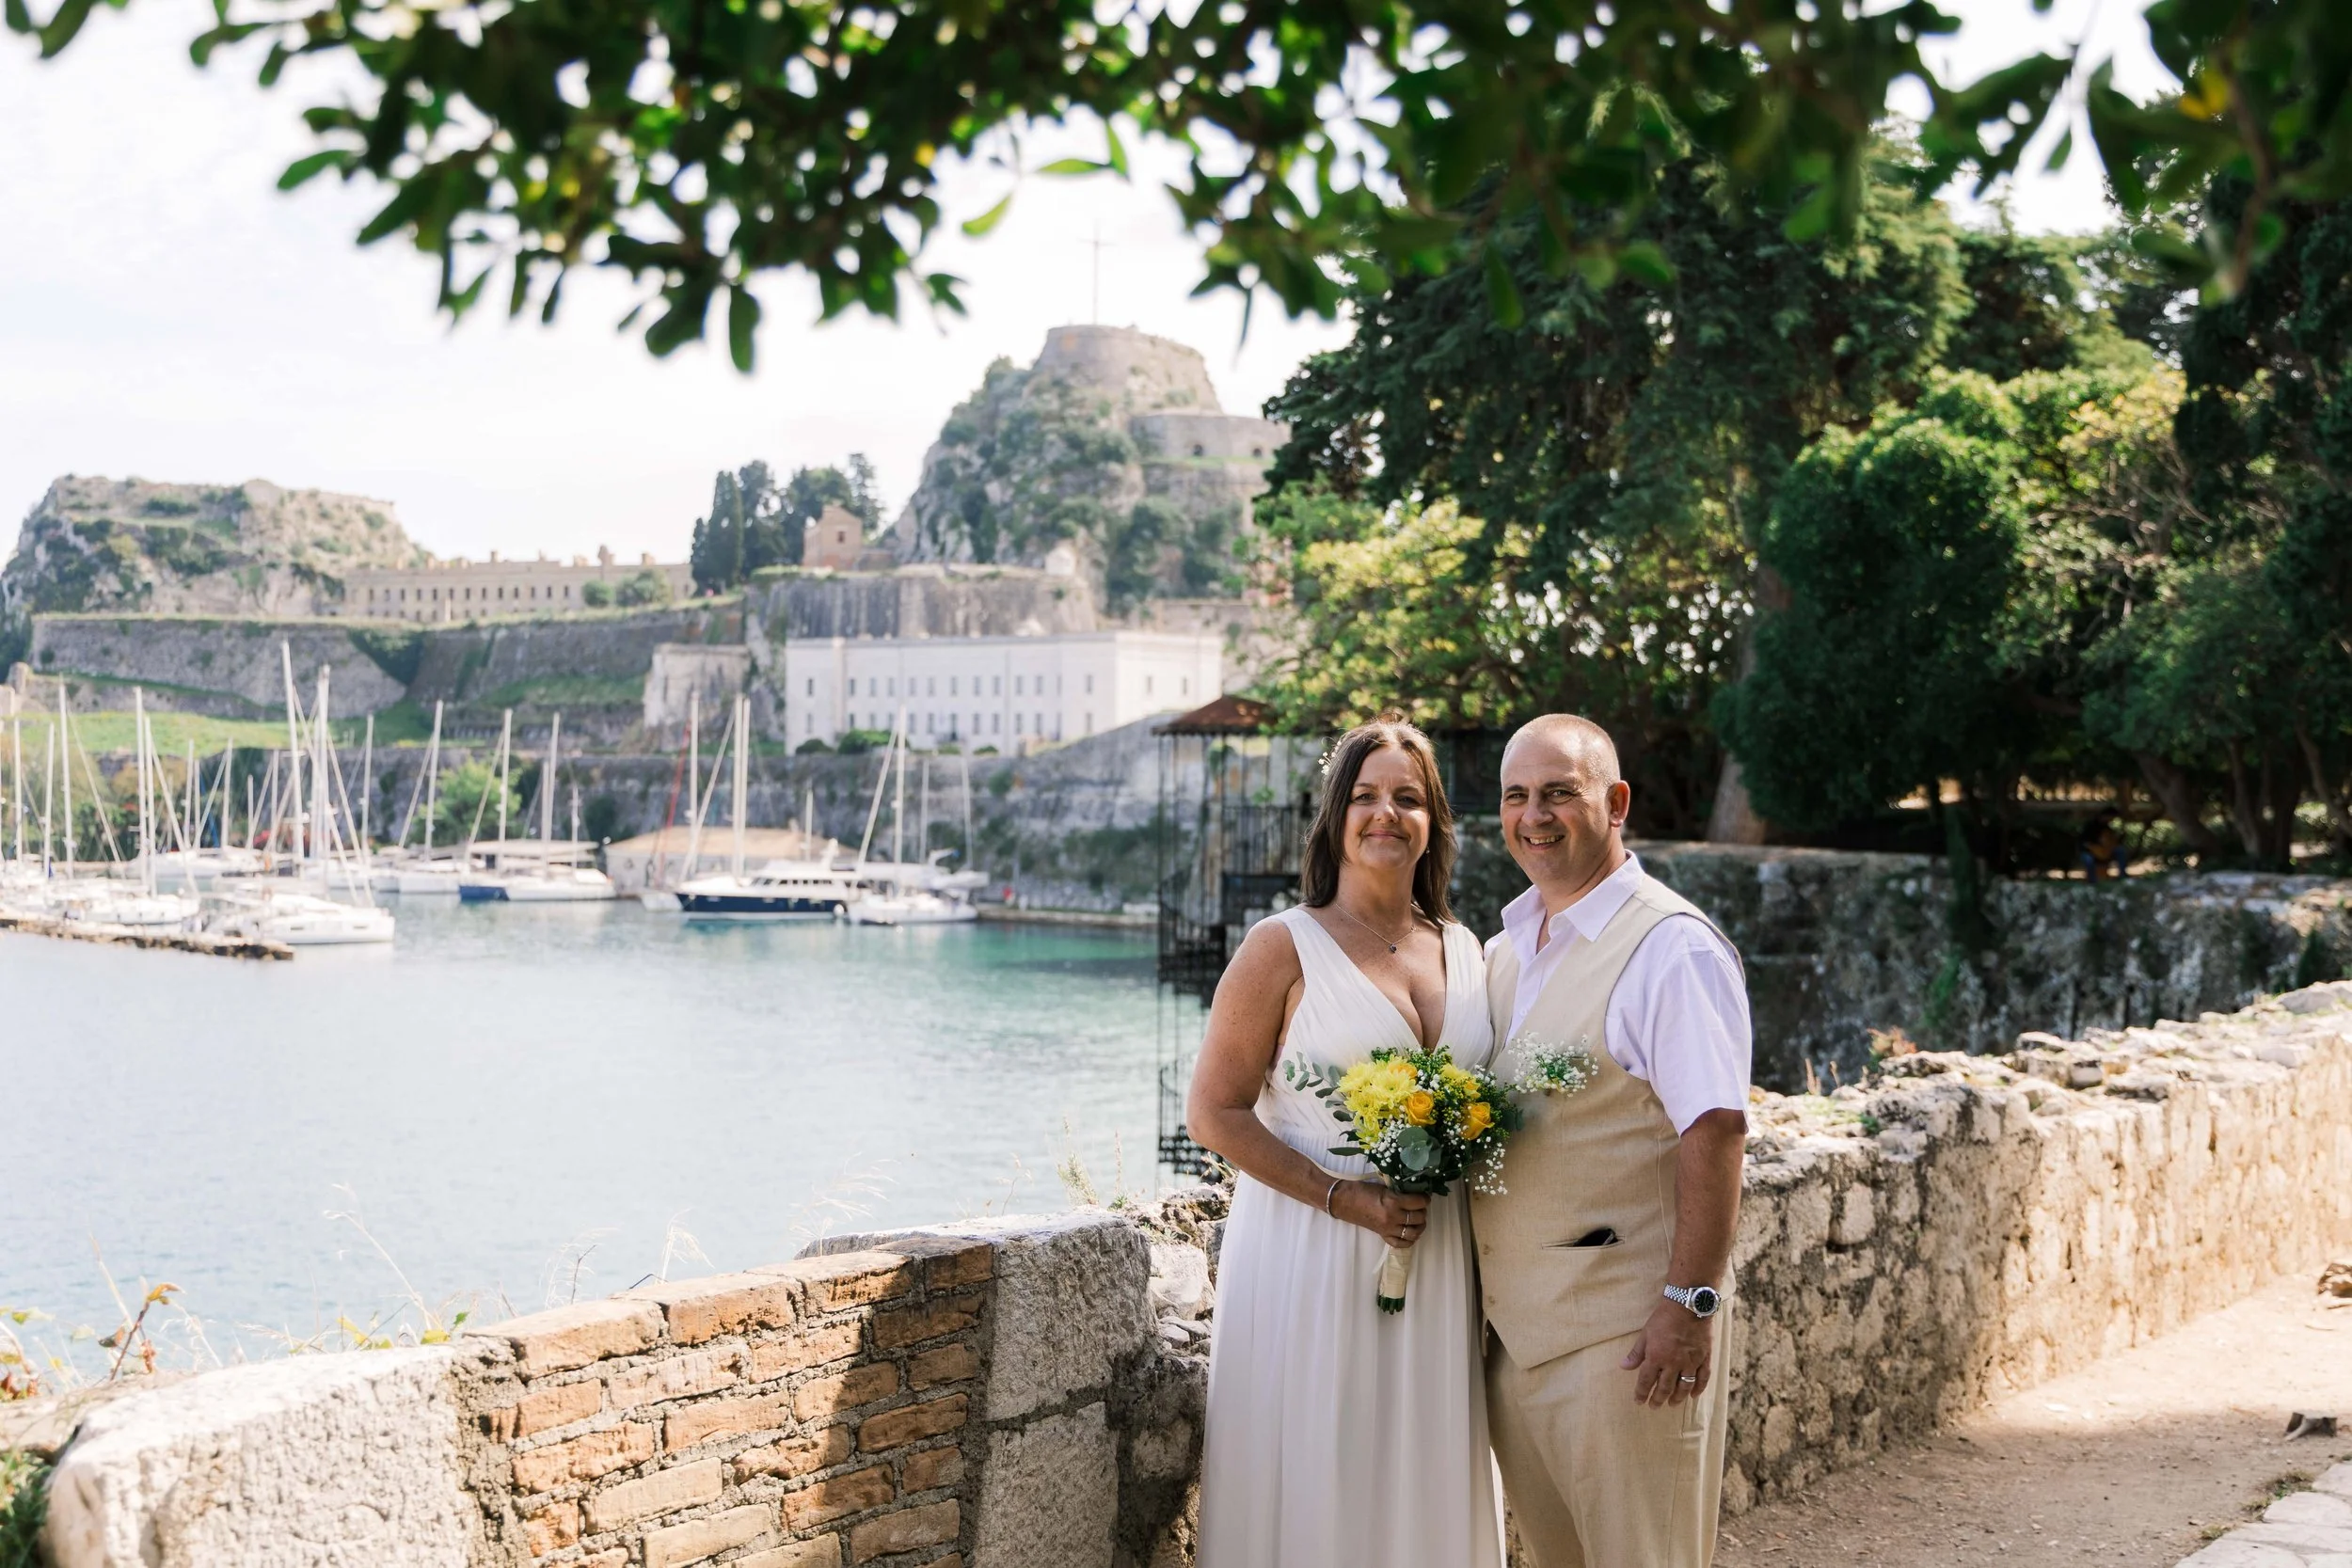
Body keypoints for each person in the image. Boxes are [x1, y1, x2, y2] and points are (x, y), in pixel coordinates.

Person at [1187, 717, 1503, 1568]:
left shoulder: (1470, 953)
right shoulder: (1280, 947)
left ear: (1433, 820)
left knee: (1421, 1466)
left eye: (1407, 797)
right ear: (1334, 819)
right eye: (1365, 796)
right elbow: (1214, 1112)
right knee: (1320, 1462)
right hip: (1309, 1254)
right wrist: (1345, 1196)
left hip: (1434, 1261)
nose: (1385, 813)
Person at [1472, 714, 1752, 1568]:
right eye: (1517, 796)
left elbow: (1716, 1127)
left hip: (1630, 1340)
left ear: (1616, 801)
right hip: (1515, 1339)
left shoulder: (1672, 948)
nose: (1535, 815)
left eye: (1560, 791)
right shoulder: (1504, 953)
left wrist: (1691, 1302)